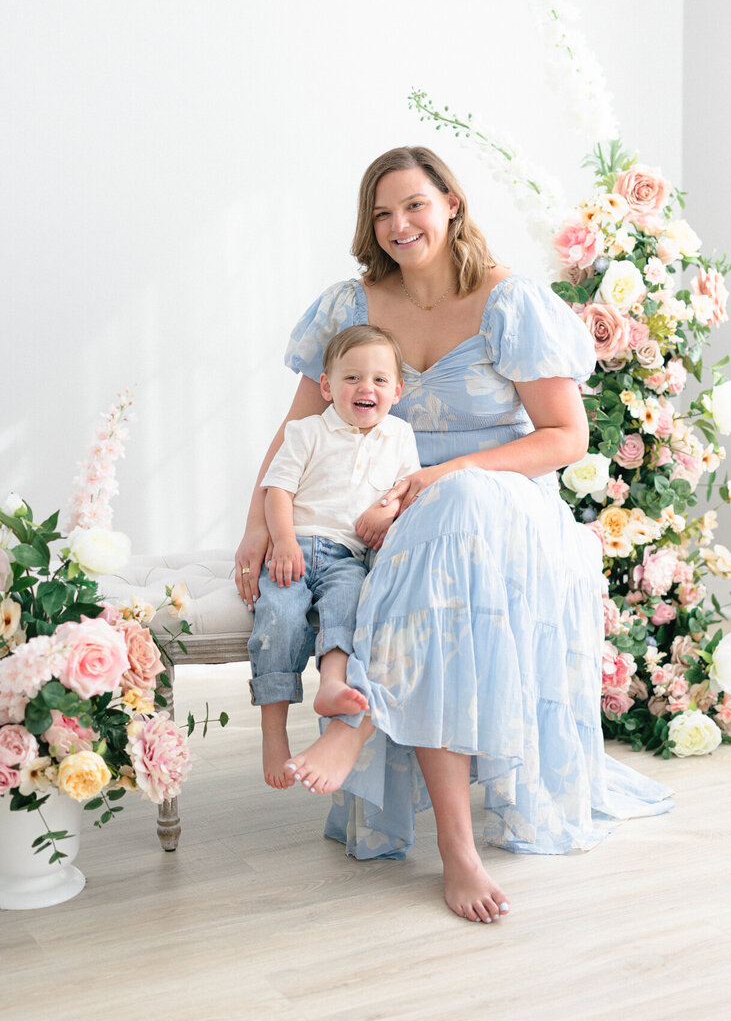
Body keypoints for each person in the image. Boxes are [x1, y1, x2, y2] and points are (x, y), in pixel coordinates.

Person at [236, 145, 673, 924]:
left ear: (452, 204)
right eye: (381, 213)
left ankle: (359, 725)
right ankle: (451, 841)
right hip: (385, 520)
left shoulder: (511, 302)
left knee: (459, 506)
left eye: (413, 204)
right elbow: (297, 431)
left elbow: (564, 436)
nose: (398, 224)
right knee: (431, 554)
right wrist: (253, 530)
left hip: (501, 505)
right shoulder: (350, 305)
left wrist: (444, 477)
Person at [247, 324, 420, 789]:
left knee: (348, 608)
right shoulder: (306, 432)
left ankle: (332, 684)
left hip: (348, 555)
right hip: (295, 550)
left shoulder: (400, 436)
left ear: (397, 392)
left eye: (380, 380)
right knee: (279, 615)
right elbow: (277, 490)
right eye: (352, 378)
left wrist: (386, 512)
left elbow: (407, 491)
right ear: (326, 386)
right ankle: (274, 730)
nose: (367, 388)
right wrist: (281, 541)